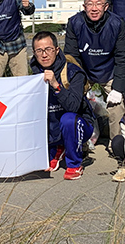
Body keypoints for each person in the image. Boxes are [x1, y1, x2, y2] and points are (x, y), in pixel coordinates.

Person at [64, 0, 125, 140]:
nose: (94, 8)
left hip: (109, 72)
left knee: (118, 105)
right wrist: (77, 82)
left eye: (98, 4)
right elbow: (71, 56)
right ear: (84, 7)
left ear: (106, 6)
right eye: (90, 4)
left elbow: (123, 56)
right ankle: (79, 141)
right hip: (84, 71)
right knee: (71, 100)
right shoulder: (74, 23)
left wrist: (118, 88)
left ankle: (117, 144)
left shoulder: (116, 23)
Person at [30, 31, 95, 181]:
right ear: (34, 53)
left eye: (48, 49)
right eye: (39, 51)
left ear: (57, 50)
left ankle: (74, 163)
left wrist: (55, 85)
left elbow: (73, 106)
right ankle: (56, 148)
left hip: (78, 123)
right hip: (52, 126)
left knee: (68, 119)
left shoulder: (73, 72)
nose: (44, 55)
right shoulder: (34, 75)